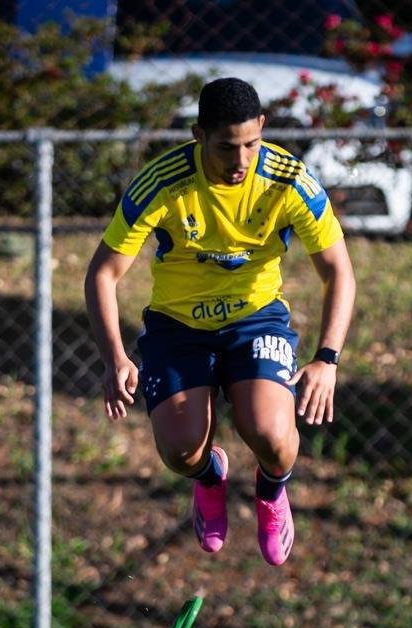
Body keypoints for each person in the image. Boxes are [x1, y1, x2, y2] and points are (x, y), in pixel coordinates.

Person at [84, 77, 356, 566]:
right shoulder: (163, 184)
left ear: (263, 130)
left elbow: (338, 271)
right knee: (181, 451)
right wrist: (115, 358)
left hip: (256, 321)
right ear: (198, 136)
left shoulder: (289, 179)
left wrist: (327, 359)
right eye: (227, 147)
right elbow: (102, 274)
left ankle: (271, 491)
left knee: (272, 435)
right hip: (178, 327)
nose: (241, 160)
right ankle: (210, 477)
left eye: (252, 143)